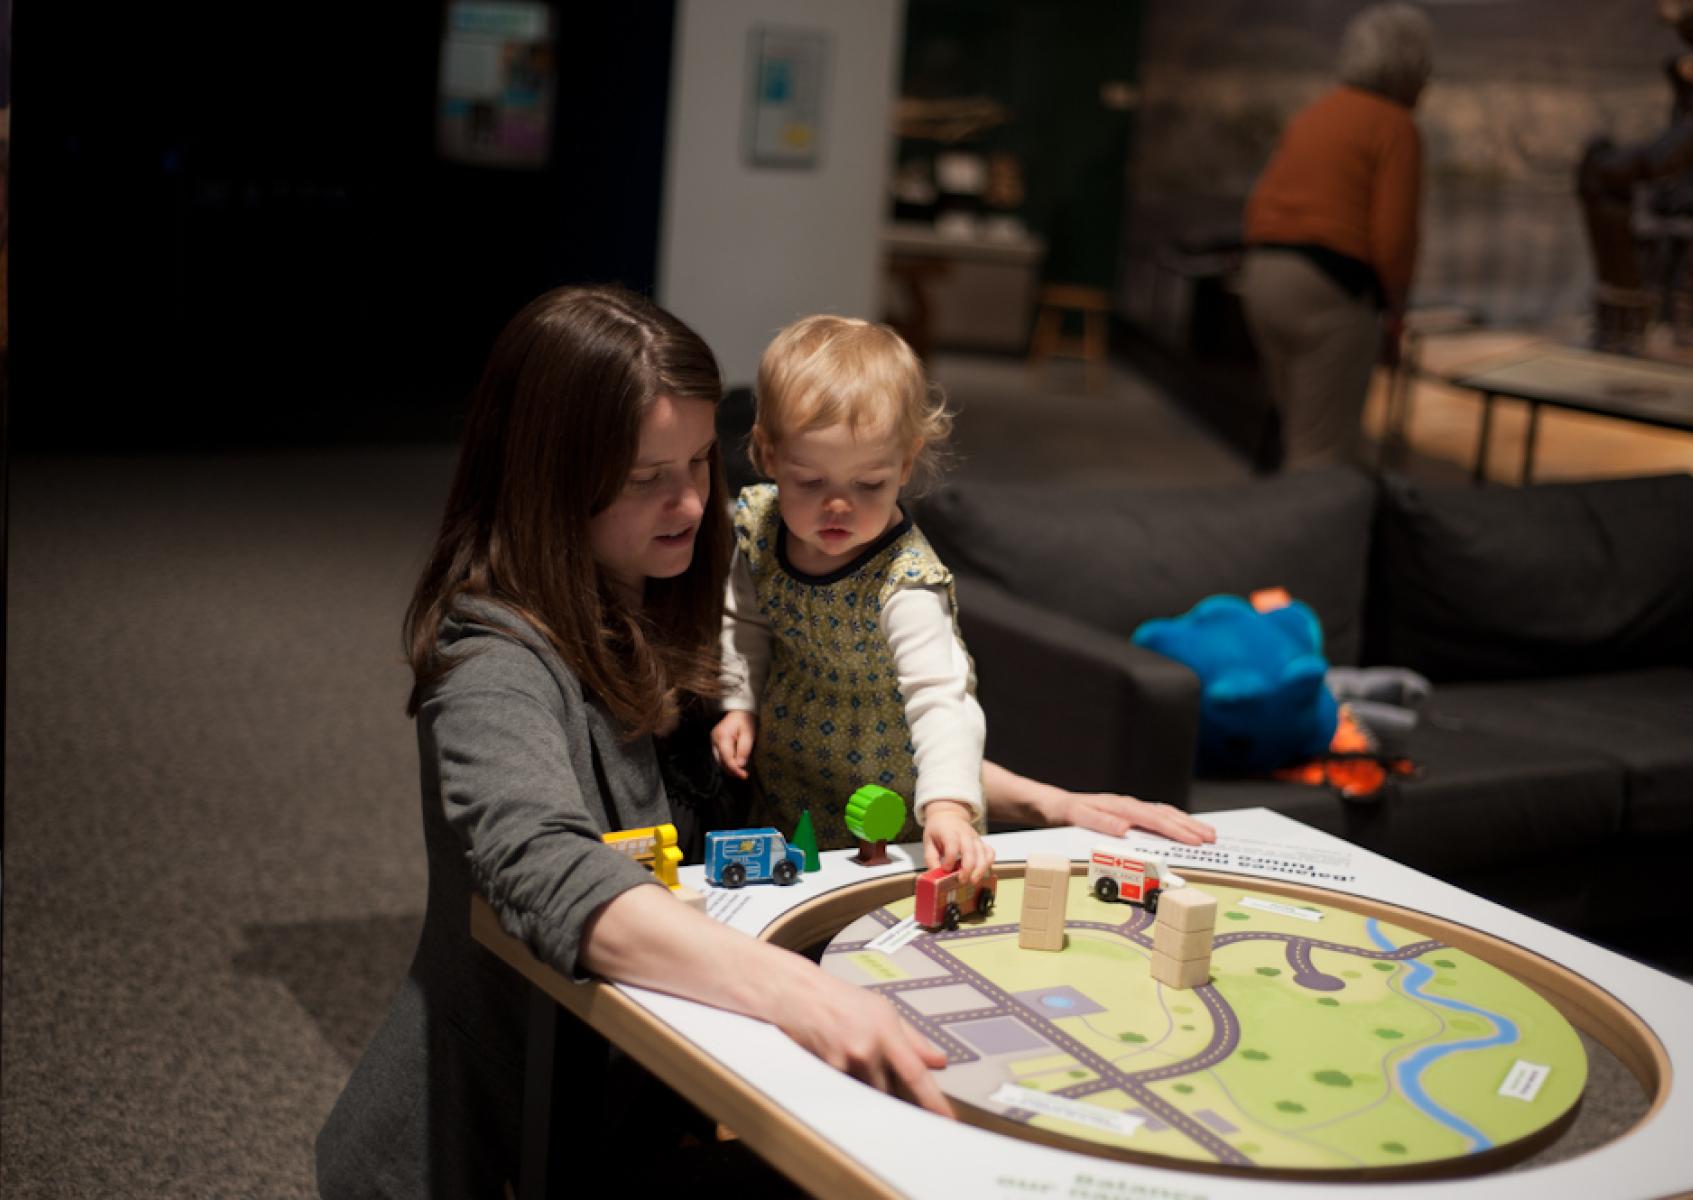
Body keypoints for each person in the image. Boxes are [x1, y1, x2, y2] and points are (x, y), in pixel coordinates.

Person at [316, 285, 1214, 1198]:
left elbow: (833, 738)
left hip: (648, 1104)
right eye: (644, 477)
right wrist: (796, 992)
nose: (693, 503)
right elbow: (544, 865)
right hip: (502, 1143)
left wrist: (1045, 803)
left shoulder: (682, 590)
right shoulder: (492, 659)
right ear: (550, 476)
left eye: (702, 462)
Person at [710, 315, 994, 880]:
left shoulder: (905, 579)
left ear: (905, 465)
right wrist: (738, 700)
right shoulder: (759, 526)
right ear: (768, 455)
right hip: (789, 779)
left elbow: (942, 697)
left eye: (867, 485)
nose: (837, 507)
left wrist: (946, 805)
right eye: (810, 483)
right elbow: (743, 621)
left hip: (897, 805)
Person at [1239, 2, 1432, 470]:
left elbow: (1259, 204)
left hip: (1263, 279)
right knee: (1322, 449)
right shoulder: (1394, 127)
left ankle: (1278, 526)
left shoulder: (1315, 115)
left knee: (1296, 432)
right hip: (1330, 290)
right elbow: (1394, 237)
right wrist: (1397, 313)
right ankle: (1309, 539)